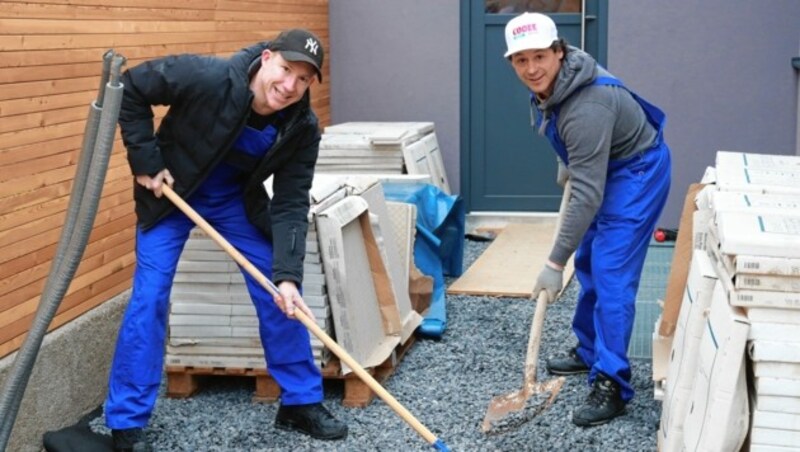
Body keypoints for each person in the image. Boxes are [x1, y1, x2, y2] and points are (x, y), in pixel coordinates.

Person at [105, 29, 348, 451]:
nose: (290, 86)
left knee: (280, 292)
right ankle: (127, 421)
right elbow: (130, 87)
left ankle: (299, 402)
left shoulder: (301, 127)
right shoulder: (209, 76)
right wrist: (146, 161)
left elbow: (290, 203)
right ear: (267, 58)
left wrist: (288, 275)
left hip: (232, 199)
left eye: (304, 79)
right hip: (172, 194)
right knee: (150, 297)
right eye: (286, 70)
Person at [504, 13, 671, 426]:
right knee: (592, 260)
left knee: (612, 273)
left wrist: (553, 262)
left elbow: (586, 194)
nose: (532, 68)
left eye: (540, 56)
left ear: (559, 52)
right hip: (606, 163)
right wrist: (573, 161)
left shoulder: (587, 106)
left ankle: (612, 381)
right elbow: (583, 166)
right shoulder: (560, 81)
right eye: (521, 60)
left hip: (637, 172)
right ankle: (589, 350)